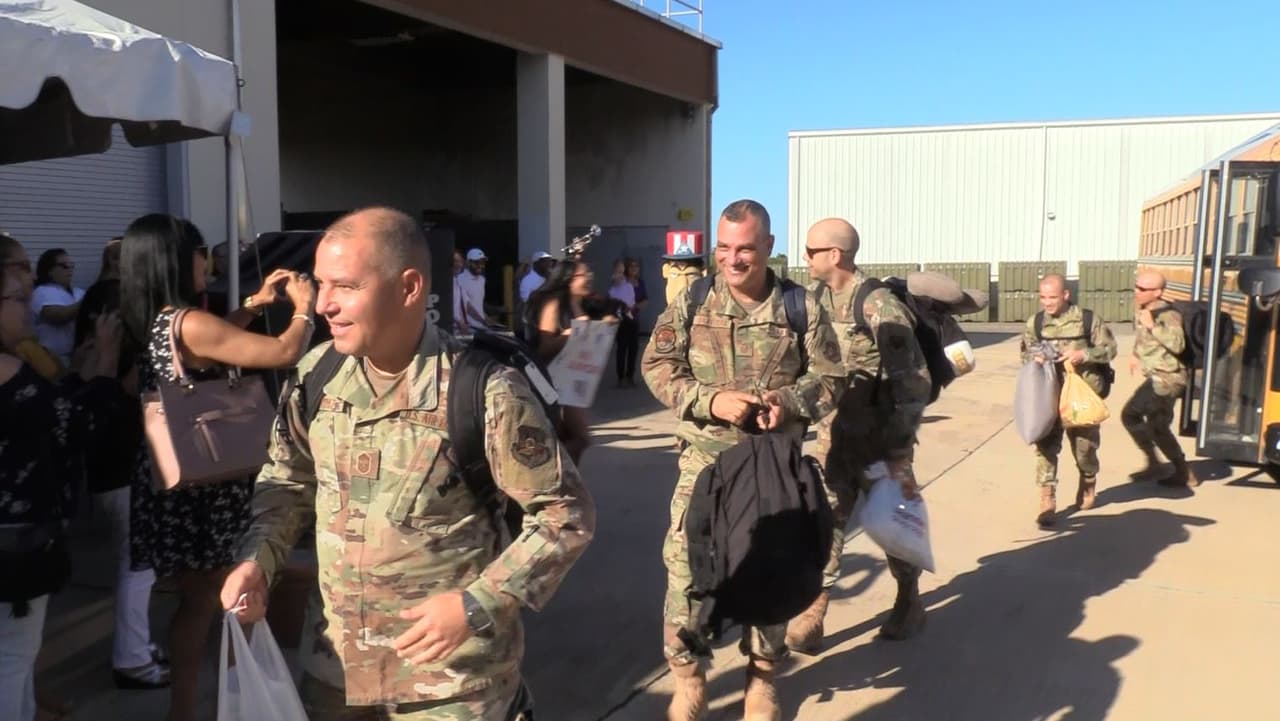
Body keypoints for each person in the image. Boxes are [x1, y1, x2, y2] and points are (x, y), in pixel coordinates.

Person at [219, 206, 596, 721]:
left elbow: (565, 516)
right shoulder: (316, 376)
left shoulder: (484, 391)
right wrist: (257, 561)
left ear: (409, 288)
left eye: (346, 286)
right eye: (321, 283)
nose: (324, 304)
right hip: (335, 673)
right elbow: (288, 480)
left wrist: (478, 602)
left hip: (451, 685)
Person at [641, 200, 844, 721]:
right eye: (724, 248)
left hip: (773, 465)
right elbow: (658, 364)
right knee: (684, 571)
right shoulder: (693, 301)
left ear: (769, 247)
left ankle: (762, 679)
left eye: (746, 249)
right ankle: (689, 679)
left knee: (772, 568)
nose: (733, 260)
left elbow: (831, 378)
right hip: (705, 466)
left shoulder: (801, 307)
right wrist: (709, 401)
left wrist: (789, 402)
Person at [119, 214, 316, 721]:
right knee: (229, 595)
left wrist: (252, 305)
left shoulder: (159, 320)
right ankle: (237, 702)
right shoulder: (190, 321)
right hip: (210, 483)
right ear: (176, 259)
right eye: (199, 251)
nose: (205, 262)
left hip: (180, 477)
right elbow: (283, 351)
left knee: (198, 599)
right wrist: (304, 308)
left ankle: (185, 710)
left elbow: (214, 343)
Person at [784, 217, 934, 655]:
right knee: (826, 520)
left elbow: (915, 380)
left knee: (892, 524)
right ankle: (814, 612)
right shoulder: (815, 300)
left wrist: (900, 445)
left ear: (835, 255)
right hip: (835, 437)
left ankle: (909, 599)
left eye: (811, 251)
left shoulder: (879, 305)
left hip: (882, 441)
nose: (805, 257)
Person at [1, 259, 125, 721]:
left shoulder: (24, 379)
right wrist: (106, 363)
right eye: (18, 299)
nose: (28, 309)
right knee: (12, 657)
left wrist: (81, 374)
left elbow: (50, 411)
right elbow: (81, 427)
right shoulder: (12, 374)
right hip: (16, 549)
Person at [1021, 273, 1118, 526]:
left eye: (1052, 297)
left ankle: (1088, 481)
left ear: (1065, 295)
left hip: (1081, 396)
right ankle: (1047, 499)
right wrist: (1036, 358)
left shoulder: (1087, 320)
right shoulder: (1036, 322)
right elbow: (1025, 352)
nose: (1047, 303)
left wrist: (1083, 354)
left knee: (1085, 448)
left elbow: (1110, 349)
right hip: (1048, 395)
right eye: (1043, 297)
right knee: (1045, 447)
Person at [524, 258, 609, 463]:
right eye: (583, 275)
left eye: (589, 274)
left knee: (571, 439)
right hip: (554, 383)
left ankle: (560, 475)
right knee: (579, 439)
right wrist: (572, 333)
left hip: (572, 381)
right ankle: (551, 472)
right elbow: (543, 348)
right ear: (568, 280)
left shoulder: (580, 304)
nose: (588, 278)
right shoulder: (554, 305)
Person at [1124, 271, 1199, 488]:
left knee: (1132, 415)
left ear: (1157, 292)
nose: (1136, 292)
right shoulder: (1145, 310)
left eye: (1142, 289)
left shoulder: (1169, 315)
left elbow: (1178, 344)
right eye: (1136, 286)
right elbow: (1144, 338)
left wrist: (1152, 325)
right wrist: (1136, 354)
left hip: (1168, 379)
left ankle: (1170, 467)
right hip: (1157, 376)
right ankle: (1169, 467)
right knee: (1157, 425)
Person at [30, 248, 85, 366]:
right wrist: (88, 300)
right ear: (50, 270)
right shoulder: (41, 292)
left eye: (71, 265)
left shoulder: (79, 292)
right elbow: (58, 316)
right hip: (51, 358)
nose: (70, 269)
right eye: (64, 266)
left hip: (78, 356)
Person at [609, 259, 640, 387]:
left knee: (633, 349)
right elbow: (614, 305)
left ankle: (630, 376)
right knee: (621, 349)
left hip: (631, 319)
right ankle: (621, 377)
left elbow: (631, 303)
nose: (620, 274)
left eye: (622, 271)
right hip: (621, 321)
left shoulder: (628, 286)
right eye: (618, 271)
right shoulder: (613, 290)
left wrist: (629, 309)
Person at [457, 248, 490, 332]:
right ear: (468, 262)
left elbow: (478, 304)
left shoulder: (482, 280)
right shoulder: (460, 280)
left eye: (482, 263)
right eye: (476, 262)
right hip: (467, 329)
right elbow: (466, 306)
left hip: (481, 327)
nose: (480, 265)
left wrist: (486, 319)